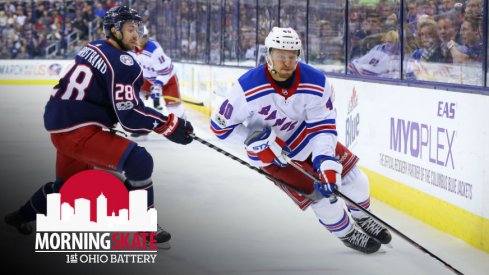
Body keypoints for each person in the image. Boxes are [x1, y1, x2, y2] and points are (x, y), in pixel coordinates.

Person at [3, 6, 194, 245]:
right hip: (79, 130)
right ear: (114, 30)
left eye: (139, 29)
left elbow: (105, 92)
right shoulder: (125, 61)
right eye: (130, 29)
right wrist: (169, 125)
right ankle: (144, 225)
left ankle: (19, 216)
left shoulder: (93, 46)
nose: (137, 35)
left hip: (60, 123)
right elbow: (130, 116)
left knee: (66, 188)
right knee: (139, 161)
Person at [210, 27, 391, 254]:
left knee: (355, 180)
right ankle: (347, 233)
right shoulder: (246, 87)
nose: (286, 62)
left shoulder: (315, 81)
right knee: (321, 198)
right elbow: (219, 127)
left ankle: (362, 216)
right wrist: (254, 144)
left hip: (305, 137)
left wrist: (325, 162)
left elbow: (322, 126)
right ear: (269, 55)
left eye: (292, 56)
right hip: (272, 155)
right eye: (280, 56)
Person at [129, 25, 186, 118]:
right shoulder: (130, 49)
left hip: (168, 79)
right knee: (137, 100)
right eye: (140, 37)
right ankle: (140, 125)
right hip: (147, 79)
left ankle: (184, 127)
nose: (143, 40)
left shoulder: (154, 50)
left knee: (174, 108)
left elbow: (165, 71)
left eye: (145, 37)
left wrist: (157, 85)